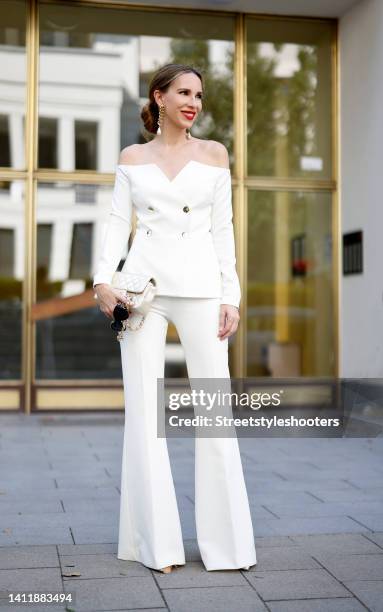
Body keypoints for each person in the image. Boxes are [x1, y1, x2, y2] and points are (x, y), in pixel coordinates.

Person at [93, 63, 257, 573]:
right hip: (142, 291)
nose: (194, 102)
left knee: (214, 413)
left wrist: (231, 295)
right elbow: (119, 221)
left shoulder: (213, 155)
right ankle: (155, 546)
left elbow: (224, 231)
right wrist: (103, 279)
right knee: (145, 416)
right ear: (158, 98)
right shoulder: (132, 158)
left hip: (204, 289)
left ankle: (227, 548)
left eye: (199, 95)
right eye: (183, 92)